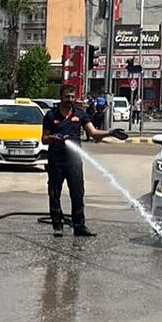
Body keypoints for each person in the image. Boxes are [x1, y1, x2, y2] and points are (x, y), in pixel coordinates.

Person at [42, 88, 109, 238]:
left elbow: (92, 132)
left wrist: (110, 133)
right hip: (56, 162)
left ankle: (79, 226)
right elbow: (44, 139)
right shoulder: (51, 115)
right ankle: (57, 225)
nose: (70, 99)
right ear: (60, 97)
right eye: (67, 96)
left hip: (74, 162)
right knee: (54, 194)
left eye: (72, 96)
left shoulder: (80, 114)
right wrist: (54, 137)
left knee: (78, 194)